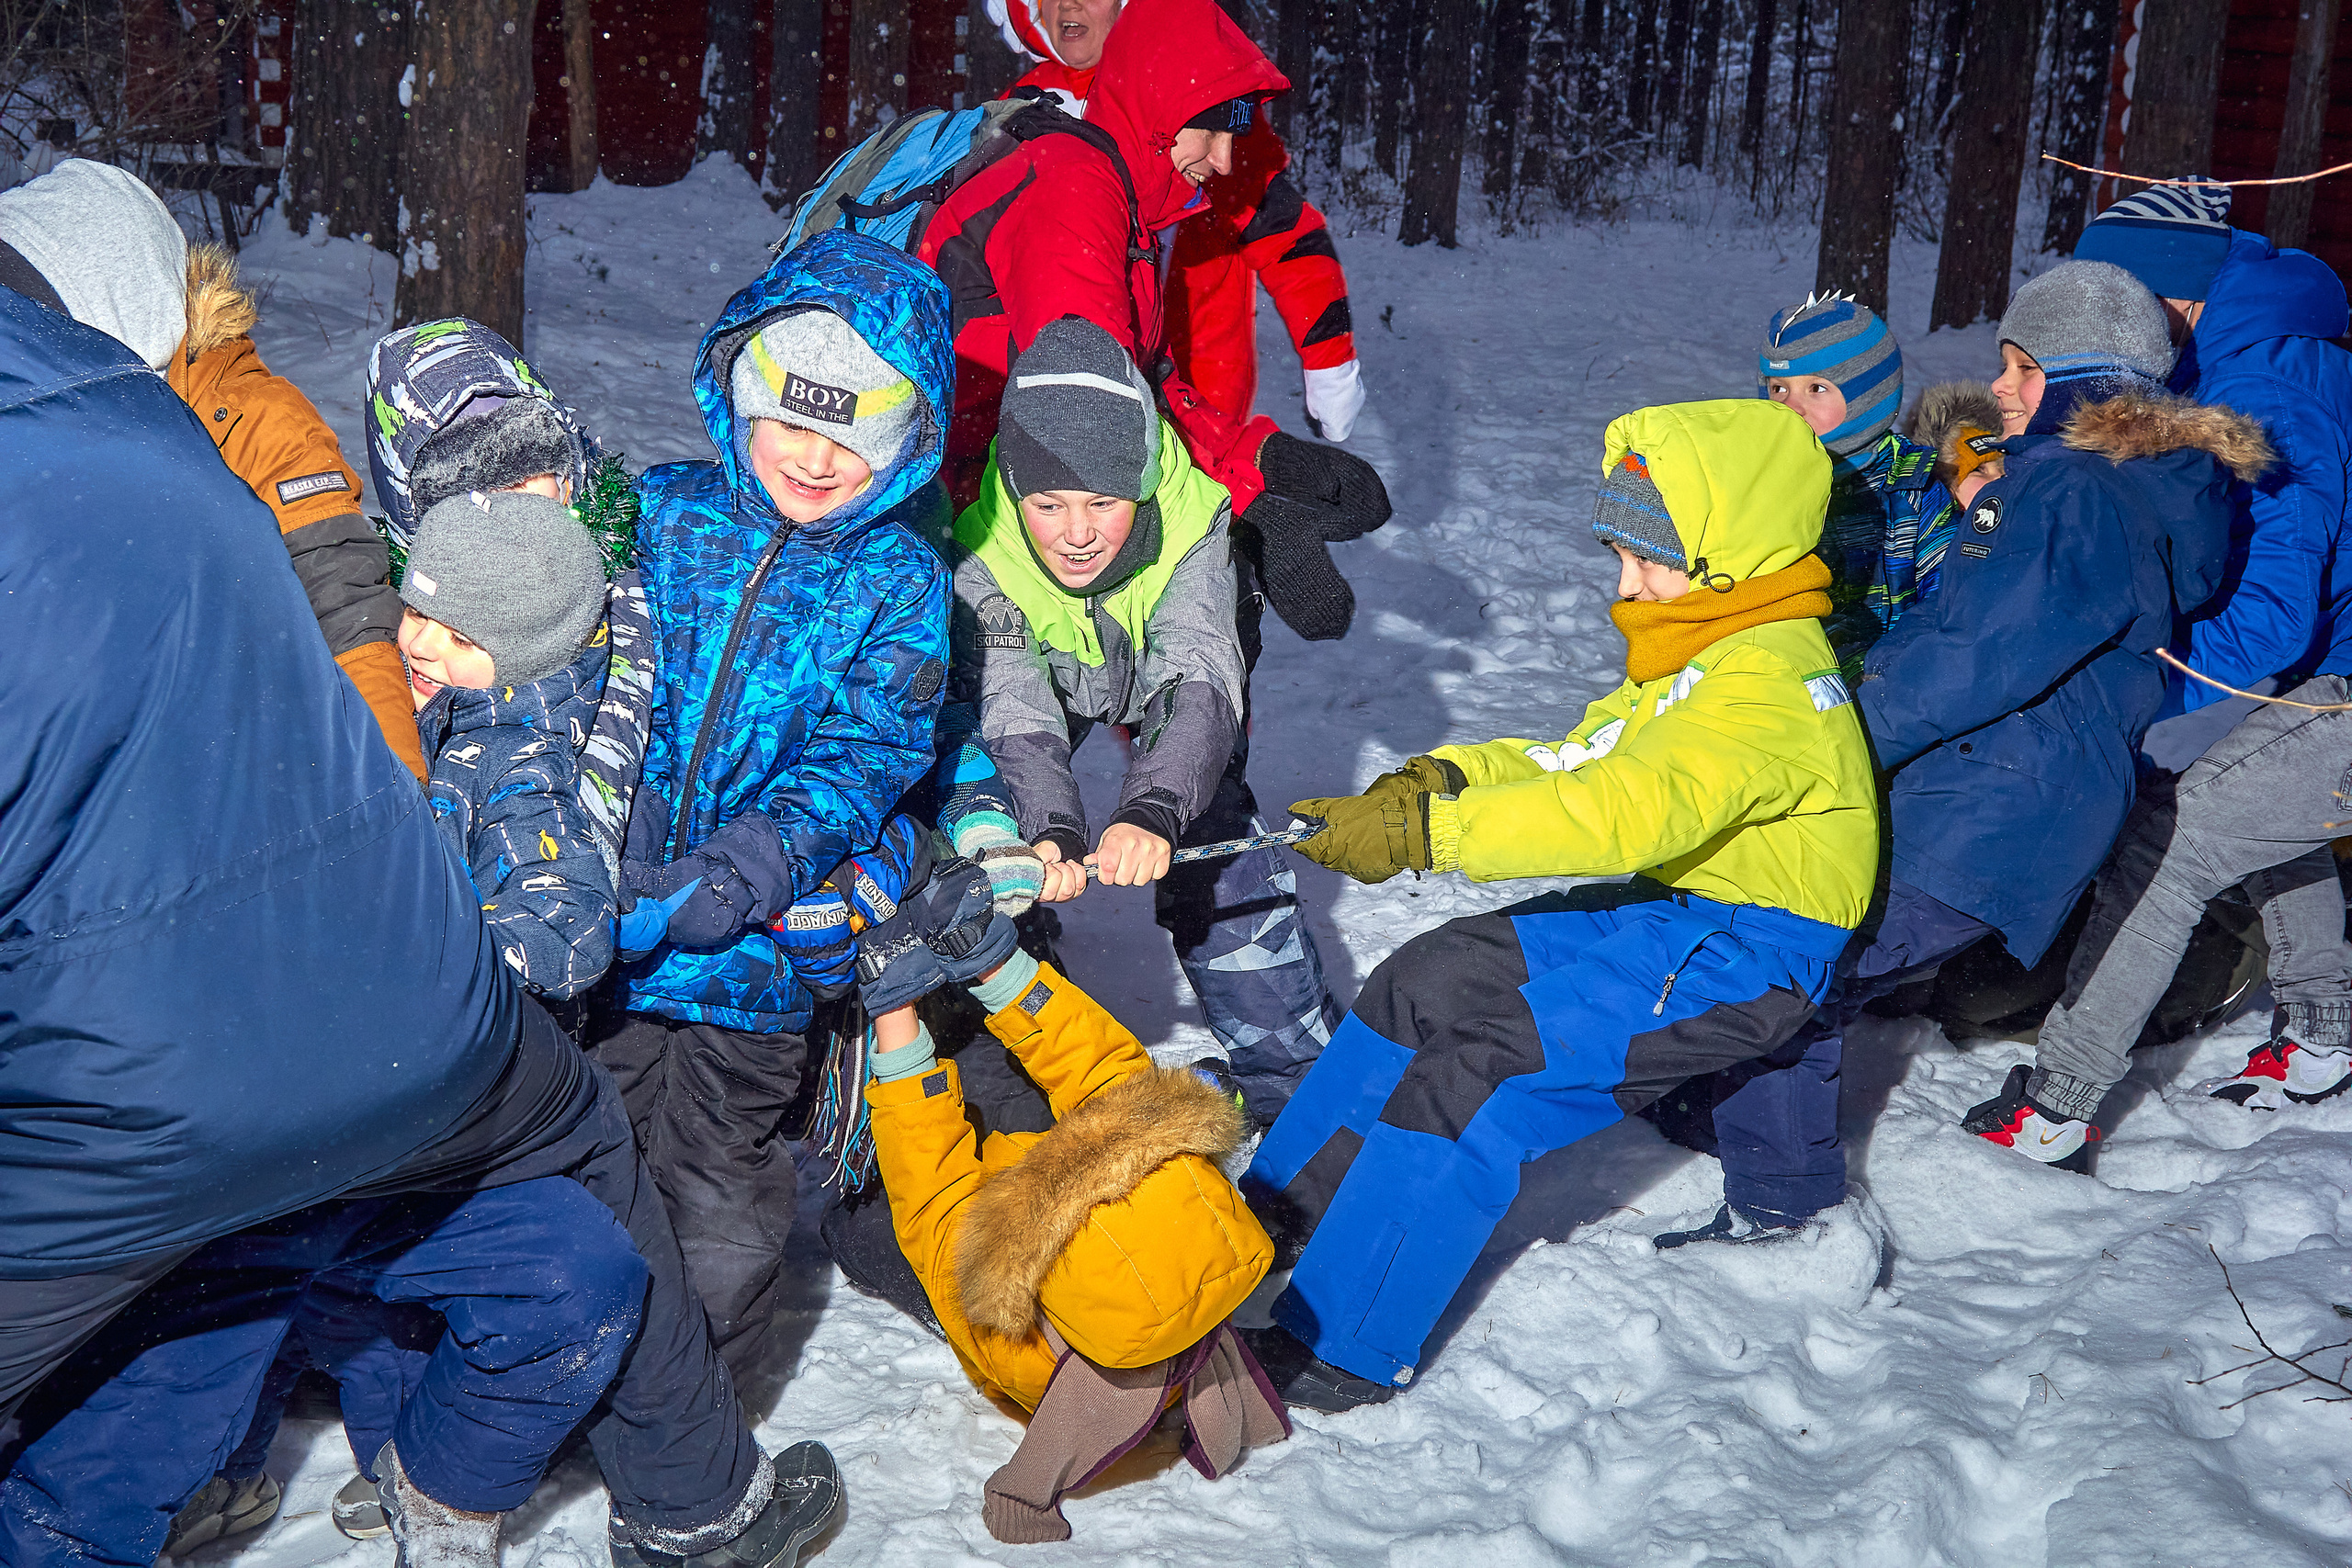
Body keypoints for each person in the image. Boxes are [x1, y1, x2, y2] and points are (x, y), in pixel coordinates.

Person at [0, 259, 837, 1568]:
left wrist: (672, 886)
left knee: (470, 1237)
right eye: (480, 493)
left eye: (545, 480)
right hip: (345, 1009)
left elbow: (563, 813)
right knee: (270, 1259)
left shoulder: (534, 613)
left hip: (379, 1002)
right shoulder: (195, 465)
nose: (531, 512)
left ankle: (510, 1478)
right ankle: (601, 1487)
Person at [1239, 400, 1878, 1409]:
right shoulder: (1705, 650)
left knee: (1484, 1074)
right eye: (1619, 554)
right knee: (1427, 977)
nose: (1626, 584)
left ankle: (1342, 1343)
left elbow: (1626, 810)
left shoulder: (1767, 680)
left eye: (1649, 560)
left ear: (1727, 557)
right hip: (1672, 909)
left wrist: (1429, 839)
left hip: (1747, 951)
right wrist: (1444, 780)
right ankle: (1277, 1217)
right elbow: (1579, 757)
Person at [582, 228, 954, 1392]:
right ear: (737, 397)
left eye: (851, 437)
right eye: (790, 421)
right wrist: (619, 828)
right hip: (605, 946)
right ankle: (530, 1400)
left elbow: (869, 749)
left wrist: (741, 873)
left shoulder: (898, 581)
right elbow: (601, 675)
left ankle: (695, 1434)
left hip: (755, 962)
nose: (812, 457)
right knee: (577, 1182)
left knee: (720, 1210)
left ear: (903, 446)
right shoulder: (663, 513)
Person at [1801, 260, 2242, 1184]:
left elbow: (1967, 653)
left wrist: (1830, 745)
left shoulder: (2057, 492)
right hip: (2038, 795)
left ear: (2086, 379)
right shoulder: (2142, 488)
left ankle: (1765, 1159)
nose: (1998, 388)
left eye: (2022, 368)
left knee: (1801, 958)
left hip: (1982, 791)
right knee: (1825, 956)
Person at [1964, 183, 2350, 1152]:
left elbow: (2266, 622)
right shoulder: (2253, 345)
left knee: (2169, 840)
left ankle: (2053, 1104)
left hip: (2339, 686)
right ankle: (2323, 1034)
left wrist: (2129, 681)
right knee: (2256, 806)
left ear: (2169, 293)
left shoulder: (2266, 384)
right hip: (2329, 675)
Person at [951, 317, 1340, 1120]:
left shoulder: (1193, 521)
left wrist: (1153, 806)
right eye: (1049, 504)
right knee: (993, 828)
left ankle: (1287, 1066)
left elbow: (1197, 676)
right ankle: (1024, 1053)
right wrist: (1051, 829)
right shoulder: (985, 548)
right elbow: (1012, 702)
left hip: (1165, 666)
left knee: (1211, 816)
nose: (1077, 533)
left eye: (1103, 501)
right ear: (1019, 489)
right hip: (1047, 679)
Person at [917, 0, 1391, 643]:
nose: (1224, 161)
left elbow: (1144, 391)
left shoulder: (1122, 208)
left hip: (1021, 507)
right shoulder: (1073, 193)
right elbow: (1087, 430)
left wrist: (1259, 457)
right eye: (1212, 131)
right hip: (960, 532)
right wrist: (1245, 513)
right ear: (1159, 111)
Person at [0, 157, 425, 780]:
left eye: (38, 326)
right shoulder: (48, 421)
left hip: (245, 755)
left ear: (116, 304)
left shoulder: (251, 422)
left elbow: (347, 609)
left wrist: (401, 803)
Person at [988, 0, 1367, 443]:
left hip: (1199, 391)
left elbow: (1287, 237)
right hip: (1052, 388)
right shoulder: (1017, 112)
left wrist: (1330, 363)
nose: (1069, 4)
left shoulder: (1205, 96)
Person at [1758, 292, 1956, 660]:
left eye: (1817, 388)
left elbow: (1944, 602)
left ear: (1868, 396)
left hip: (1886, 679)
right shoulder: (1759, 484)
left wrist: (1882, 669)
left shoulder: (1912, 489)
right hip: (1783, 678)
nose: (1790, 407)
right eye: (1777, 389)